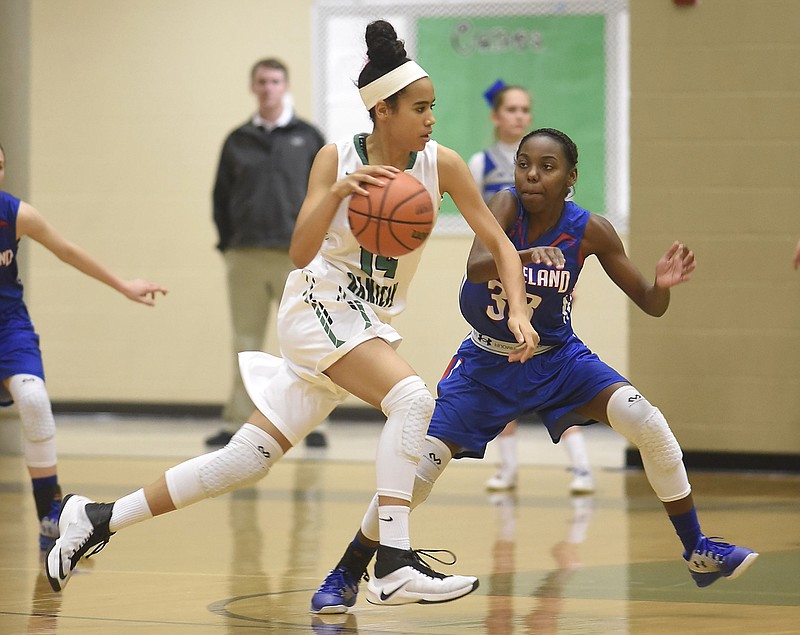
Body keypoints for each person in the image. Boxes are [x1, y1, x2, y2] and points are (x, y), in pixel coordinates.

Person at [44, 21, 553, 607]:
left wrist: (518, 308)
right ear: (383, 111)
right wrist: (339, 194)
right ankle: (391, 564)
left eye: (432, 106)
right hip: (319, 305)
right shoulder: (334, 158)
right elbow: (299, 251)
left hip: (365, 321)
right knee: (412, 398)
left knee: (244, 460)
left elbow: (502, 245)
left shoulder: (444, 165)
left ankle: (97, 517)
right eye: (419, 108)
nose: (431, 118)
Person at [310, 127, 758, 614]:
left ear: (571, 177)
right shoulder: (505, 206)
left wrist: (664, 284)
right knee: (415, 474)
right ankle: (347, 573)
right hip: (485, 363)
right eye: (525, 163)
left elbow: (650, 303)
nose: (532, 175)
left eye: (547, 167)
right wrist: (518, 256)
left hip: (559, 359)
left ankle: (697, 549)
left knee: (646, 420)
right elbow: (479, 265)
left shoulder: (591, 230)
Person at [0, 142, 167, 553]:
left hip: (8, 327)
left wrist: (123, 285)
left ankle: (50, 514)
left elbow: (67, 251)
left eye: (0, 165)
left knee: (34, 401)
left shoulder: (14, 213)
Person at [467, 82, 593, 495]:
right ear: (495, 116)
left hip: (543, 273)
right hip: (501, 282)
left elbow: (566, 230)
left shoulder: (544, 159)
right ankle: (507, 467)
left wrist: (564, 280)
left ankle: (580, 466)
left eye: (525, 109)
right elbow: (481, 238)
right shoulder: (482, 165)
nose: (519, 116)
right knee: (505, 372)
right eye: (511, 109)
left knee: (553, 371)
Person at [206, 57, 328, 449]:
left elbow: (327, 194)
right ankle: (237, 421)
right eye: (261, 81)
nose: (268, 87)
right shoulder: (237, 139)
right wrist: (229, 244)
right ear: (253, 87)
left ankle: (314, 424)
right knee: (245, 339)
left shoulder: (308, 136)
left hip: (299, 256)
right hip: (245, 254)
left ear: (285, 86)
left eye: (275, 81)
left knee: (308, 341)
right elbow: (220, 198)